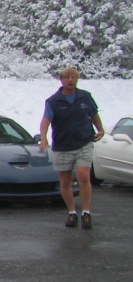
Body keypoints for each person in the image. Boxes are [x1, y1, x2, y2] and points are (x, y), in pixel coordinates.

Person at [39, 66, 104, 229]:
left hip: (84, 142)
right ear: (61, 80)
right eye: (67, 77)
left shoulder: (85, 97)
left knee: (83, 175)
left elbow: (94, 114)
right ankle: (72, 212)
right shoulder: (53, 101)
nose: (70, 80)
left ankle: (86, 212)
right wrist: (43, 138)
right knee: (66, 180)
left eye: (73, 77)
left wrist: (100, 129)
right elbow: (46, 120)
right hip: (62, 145)